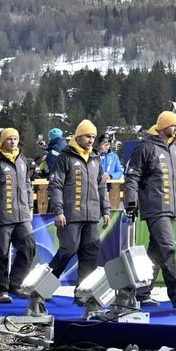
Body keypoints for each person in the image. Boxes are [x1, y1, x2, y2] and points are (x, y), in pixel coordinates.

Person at [123, 110, 176, 308]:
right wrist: (132, 202)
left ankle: (142, 292)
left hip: (171, 207)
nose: (175, 127)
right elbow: (132, 176)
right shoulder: (146, 147)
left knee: (157, 252)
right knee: (168, 247)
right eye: (172, 124)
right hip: (154, 206)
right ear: (161, 125)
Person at [46, 120, 111, 287]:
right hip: (70, 215)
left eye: (93, 137)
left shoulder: (96, 158)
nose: (91, 140)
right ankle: (41, 287)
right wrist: (58, 211)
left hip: (92, 215)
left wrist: (106, 211)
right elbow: (55, 185)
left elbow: (101, 186)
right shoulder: (64, 156)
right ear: (79, 136)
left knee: (90, 253)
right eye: (88, 136)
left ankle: (84, 291)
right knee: (68, 250)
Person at [0, 128, 36, 303]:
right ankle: (0, 291)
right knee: (1, 254)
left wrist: (30, 206)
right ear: (2, 141)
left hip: (22, 216)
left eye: (16, 139)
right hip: (1, 217)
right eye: (10, 139)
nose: (13, 142)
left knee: (29, 247)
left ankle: (16, 284)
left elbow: (27, 185)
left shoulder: (23, 161)